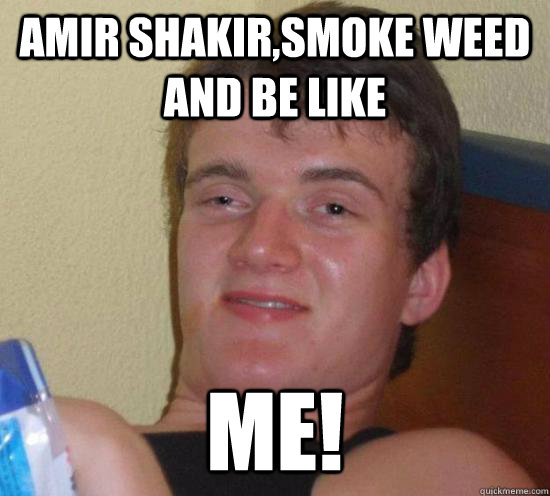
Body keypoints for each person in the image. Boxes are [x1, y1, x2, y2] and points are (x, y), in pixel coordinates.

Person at [59, 2, 535, 494]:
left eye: (333, 208)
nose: (260, 247)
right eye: (224, 199)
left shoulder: (454, 476)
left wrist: (112, 461)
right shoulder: (60, 447)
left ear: (420, 283)